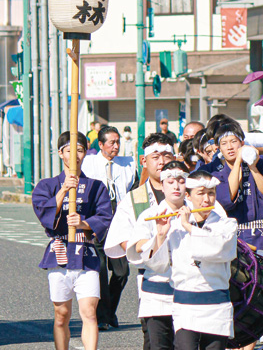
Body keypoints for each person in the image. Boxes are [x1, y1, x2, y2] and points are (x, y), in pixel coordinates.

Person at [32, 131, 113, 350]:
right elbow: (43, 213)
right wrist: (64, 190)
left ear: (86, 153)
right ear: (61, 153)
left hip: (86, 254)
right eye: (70, 150)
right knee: (61, 314)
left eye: (80, 150)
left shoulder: (96, 186)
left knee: (89, 311)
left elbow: (105, 217)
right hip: (59, 253)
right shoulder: (47, 185)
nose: (75, 155)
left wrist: (84, 223)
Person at [211, 119, 263, 350]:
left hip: (262, 235)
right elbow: (227, 197)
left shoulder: (262, 162)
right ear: (219, 148)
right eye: (225, 143)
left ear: (243, 142)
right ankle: (236, 342)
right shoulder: (216, 170)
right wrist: (236, 166)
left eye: (234, 141)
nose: (230, 147)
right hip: (235, 239)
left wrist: (252, 166)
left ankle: (258, 340)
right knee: (236, 292)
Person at [141, 171, 239, 350]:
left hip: (216, 306)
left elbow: (218, 249)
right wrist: (161, 236)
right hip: (185, 306)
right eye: (200, 193)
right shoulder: (175, 226)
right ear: (188, 196)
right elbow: (158, 266)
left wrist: (189, 227)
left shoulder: (227, 224)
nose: (207, 199)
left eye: (211, 193)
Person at [104, 133, 175, 348]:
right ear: (144, 161)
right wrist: (150, 247)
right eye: (155, 156)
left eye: (166, 155)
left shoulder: (190, 192)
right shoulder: (134, 199)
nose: (162, 161)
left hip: (189, 278)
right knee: (154, 340)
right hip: (152, 277)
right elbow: (123, 240)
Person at [125, 160, 190, 350]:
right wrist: (160, 236)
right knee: (159, 346)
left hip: (190, 291)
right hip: (157, 292)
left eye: (181, 180)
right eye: (170, 181)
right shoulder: (150, 213)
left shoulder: (198, 213)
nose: (176, 186)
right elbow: (137, 246)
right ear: (162, 185)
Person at [81, 125, 138, 331]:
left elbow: (134, 190)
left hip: (120, 221)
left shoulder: (128, 164)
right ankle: (103, 317)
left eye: (118, 142)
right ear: (101, 144)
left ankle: (109, 310)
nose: (116, 146)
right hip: (97, 221)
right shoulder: (89, 163)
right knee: (101, 272)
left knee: (122, 271)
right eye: (112, 142)